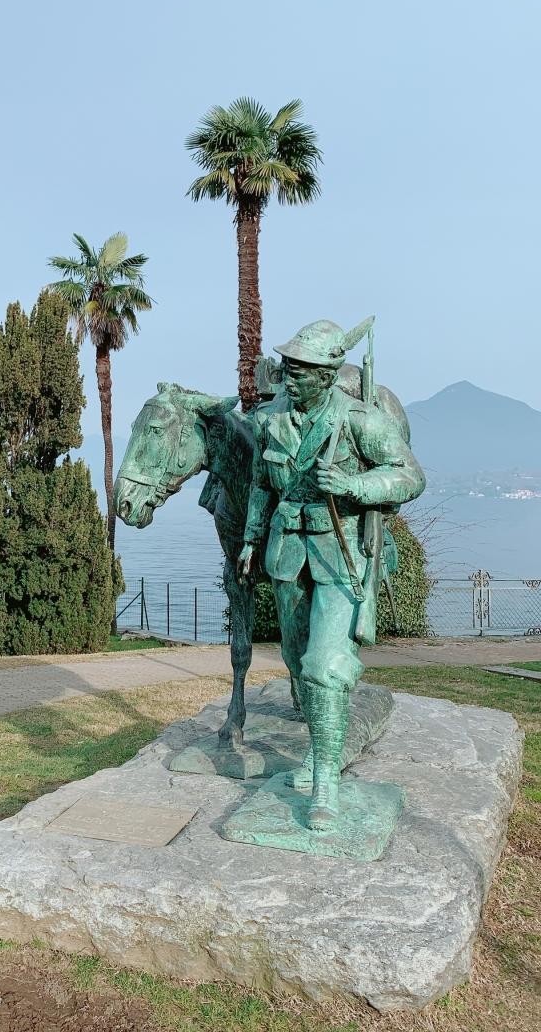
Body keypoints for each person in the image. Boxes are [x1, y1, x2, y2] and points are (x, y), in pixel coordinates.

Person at [237, 319, 425, 830]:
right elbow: (261, 483)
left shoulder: (360, 420)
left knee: (325, 664)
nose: (287, 377)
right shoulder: (272, 419)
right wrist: (251, 538)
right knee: (298, 663)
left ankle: (325, 783)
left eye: (299, 371)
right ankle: (320, 753)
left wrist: (353, 485)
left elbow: (410, 476)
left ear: (325, 375)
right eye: (287, 368)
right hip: (287, 553)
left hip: (341, 555)